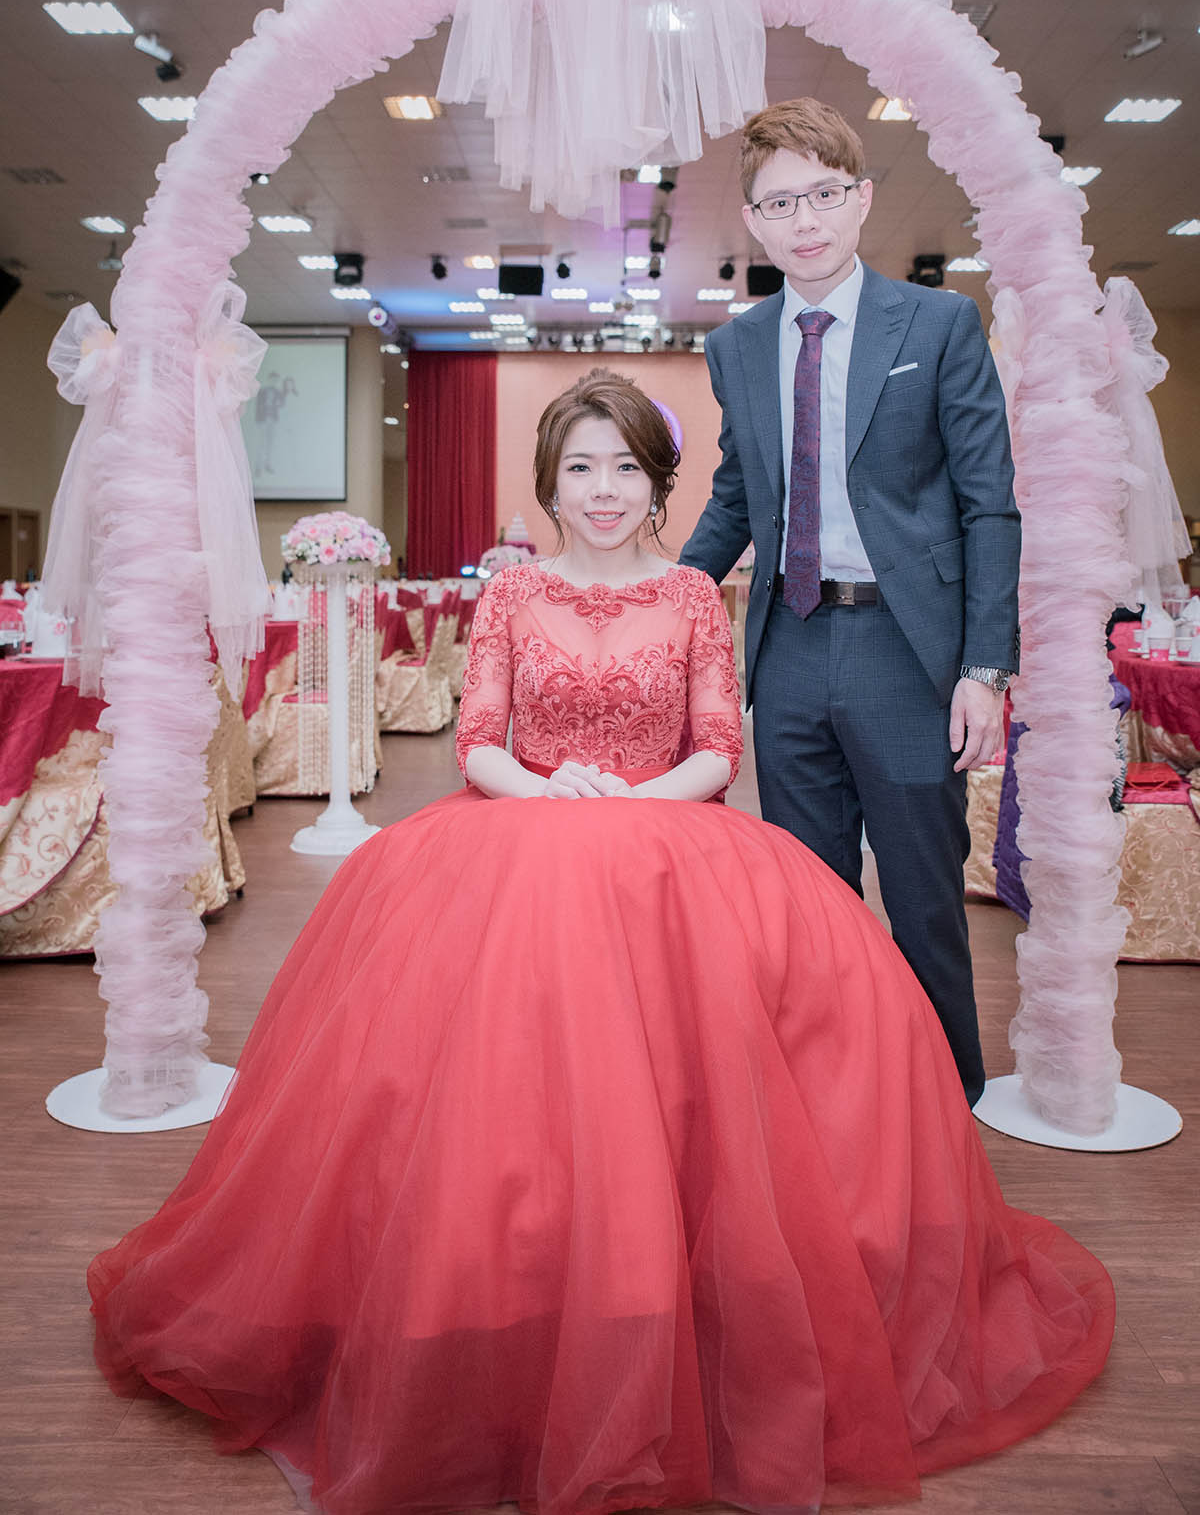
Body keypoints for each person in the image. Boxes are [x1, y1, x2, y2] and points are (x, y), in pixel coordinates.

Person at [89, 371, 1108, 1515]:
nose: (604, 489)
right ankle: (514, 1309)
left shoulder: (694, 595)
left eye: (626, 466)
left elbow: (717, 749)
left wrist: (630, 801)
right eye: (581, 467)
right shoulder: (512, 593)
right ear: (549, 483)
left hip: (670, 839)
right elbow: (478, 738)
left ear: (659, 485)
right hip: (518, 832)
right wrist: (542, 788)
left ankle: (670, 1295)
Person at [681, 98, 1021, 1106]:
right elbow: (739, 495)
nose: (807, 219)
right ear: (755, 221)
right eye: (781, 202)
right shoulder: (737, 347)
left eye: (824, 193)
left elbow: (990, 506)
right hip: (788, 648)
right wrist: (666, 597)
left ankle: (946, 1102)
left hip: (906, 653)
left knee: (923, 899)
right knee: (807, 905)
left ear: (862, 198)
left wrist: (985, 668)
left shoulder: (940, 324)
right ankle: (827, 1107)